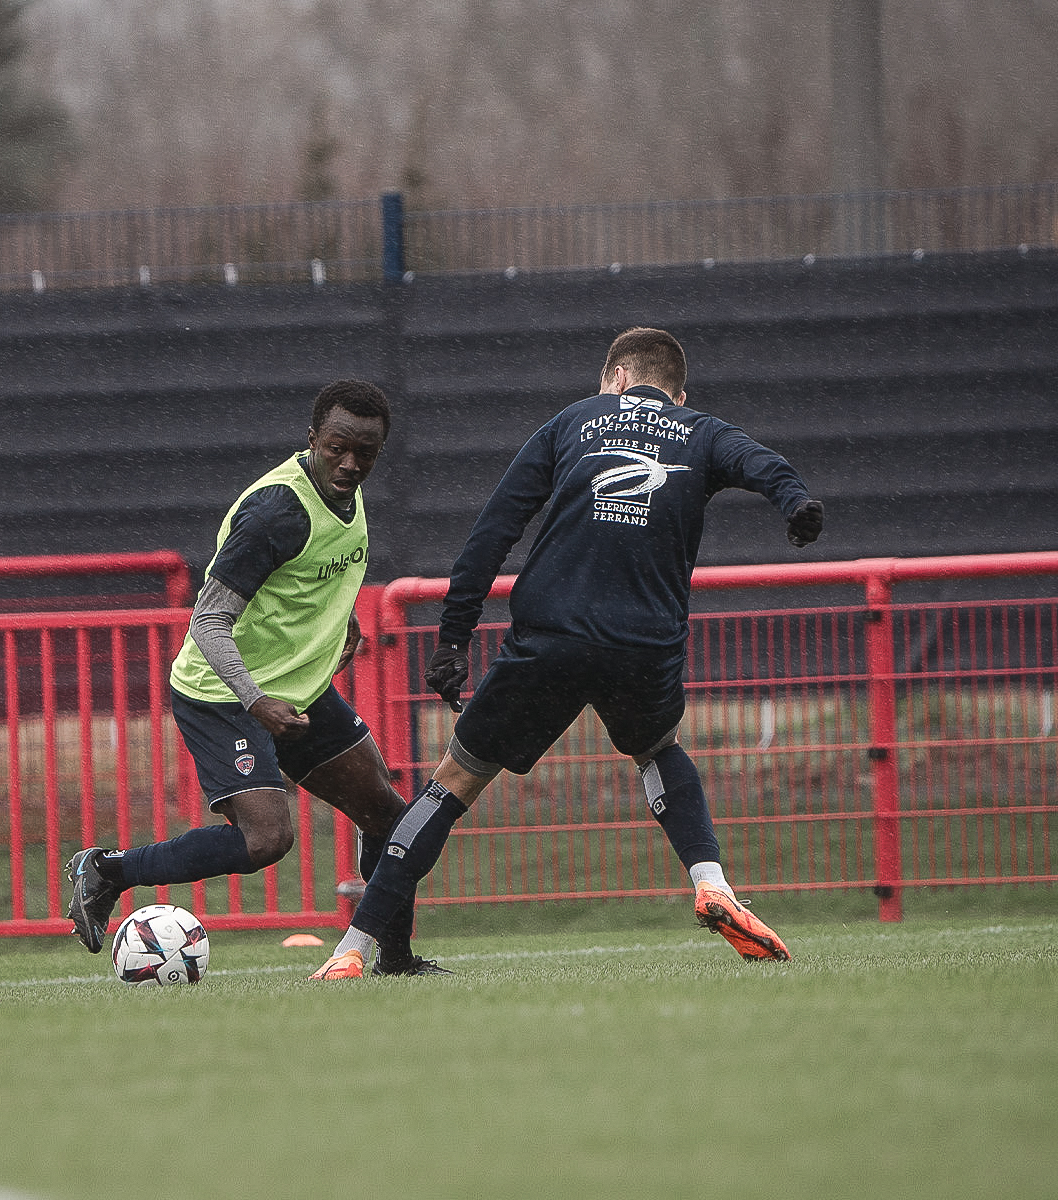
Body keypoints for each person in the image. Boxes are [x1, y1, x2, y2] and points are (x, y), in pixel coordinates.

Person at [311, 327, 825, 979]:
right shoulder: (701, 430)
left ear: (613, 378)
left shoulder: (575, 421)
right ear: (678, 392)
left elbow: (494, 530)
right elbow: (766, 466)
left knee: (455, 782)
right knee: (657, 751)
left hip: (550, 637)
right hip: (642, 643)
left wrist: (452, 640)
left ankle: (353, 949)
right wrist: (796, 503)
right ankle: (712, 884)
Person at [65, 380, 449, 976]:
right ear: (313, 438)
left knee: (388, 818)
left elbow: (309, 574)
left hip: (297, 692)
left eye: (366, 453)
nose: (350, 463)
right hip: (222, 694)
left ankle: (393, 963)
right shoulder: (276, 511)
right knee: (265, 841)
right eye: (338, 448)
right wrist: (256, 699)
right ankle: (107, 870)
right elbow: (210, 619)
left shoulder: (347, 491)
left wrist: (338, 621)